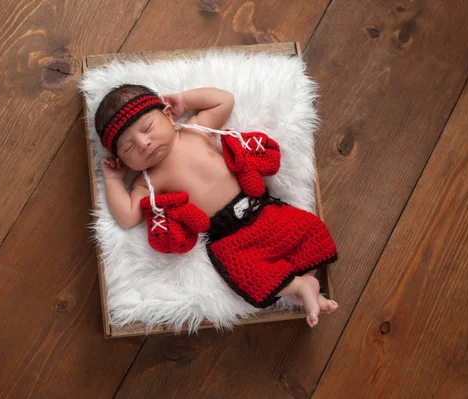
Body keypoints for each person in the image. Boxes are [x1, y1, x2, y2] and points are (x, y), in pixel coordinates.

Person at [95, 84, 339, 327]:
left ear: (168, 114)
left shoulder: (196, 130)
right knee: (247, 275)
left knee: (309, 230)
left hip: (261, 208)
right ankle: (299, 287)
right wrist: (114, 180)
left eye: (147, 128)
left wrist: (185, 100)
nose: (143, 143)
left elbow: (224, 100)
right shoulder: (146, 182)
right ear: (123, 160)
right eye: (129, 147)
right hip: (229, 239)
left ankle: (306, 283)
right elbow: (127, 216)